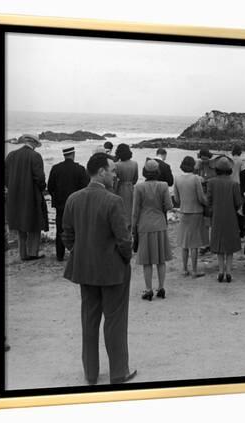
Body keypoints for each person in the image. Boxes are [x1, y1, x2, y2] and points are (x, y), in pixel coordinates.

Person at [61, 152, 137, 385]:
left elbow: (67, 236)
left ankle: (91, 374)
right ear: (101, 171)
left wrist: (82, 252)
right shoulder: (114, 201)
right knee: (115, 322)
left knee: (89, 321)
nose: (115, 174)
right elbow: (125, 240)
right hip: (113, 271)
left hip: (85, 269)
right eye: (112, 170)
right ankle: (118, 373)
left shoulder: (73, 199)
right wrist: (124, 258)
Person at [132, 160, 174, 300]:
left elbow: (135, 211)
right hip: (160, 224)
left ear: (145, 172)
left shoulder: (139, 187)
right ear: (157, 172)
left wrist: (133, 227)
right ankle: (161, 287)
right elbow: (169, 205)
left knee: (147, 260)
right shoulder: (163, 186)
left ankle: (148, 289)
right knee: (161, 259)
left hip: (144, 224)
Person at [5, 134, 48, 261]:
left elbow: (5, 176)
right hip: (31, 195)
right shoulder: (35, 156)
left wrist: (12, 188)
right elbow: (40, 178)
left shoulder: (11, 155)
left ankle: (22, 253)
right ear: (34, 143)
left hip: (14, 195)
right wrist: (41, 188)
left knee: (20, 224)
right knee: (35, 224)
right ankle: (33, 252)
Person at [47, 146, 89, 261]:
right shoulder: (80, 169)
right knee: (76, 229)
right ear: (73, 154)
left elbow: (50, 187)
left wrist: (55, 198)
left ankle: (59, 255)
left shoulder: (55, 168)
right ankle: (75, 253)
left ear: (64, 155)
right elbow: (85, 188)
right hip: (76, 205)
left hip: (60, 205)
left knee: (60, 230)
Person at [207, 156, 243, 283]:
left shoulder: (211, 182)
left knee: (219, 245)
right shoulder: (234, 184)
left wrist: (212, 210)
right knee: (229, 245)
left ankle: (220, 271)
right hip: (230, 216)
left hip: (217, 216)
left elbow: (208, 200)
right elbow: (238, 202)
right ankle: (228, 272)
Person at [173, 156, 208, 278]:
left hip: (183, 211)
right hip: (196, 212)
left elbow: (176, 199)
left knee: (184, 243)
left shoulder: (177, 178)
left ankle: (184, 269)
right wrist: (207, 202)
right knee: (194, 243)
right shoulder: (195, 179)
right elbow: (201, 197)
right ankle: (194, 270)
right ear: (192, 166)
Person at [194, 148, 216, 255]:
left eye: (206, 158)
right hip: (201, 196)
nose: (204, 160)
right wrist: (196, 167)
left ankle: (210, 244)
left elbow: (216, 179)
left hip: (210, 196)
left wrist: (206, 180)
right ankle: (205, 244)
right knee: (203, 222)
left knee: (210, 221)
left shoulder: (214, 166)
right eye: (202, 158)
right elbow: (191, 176)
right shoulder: (199, 165)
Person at [114, 143, 138, 230]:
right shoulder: (135, 164)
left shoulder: (117, 165)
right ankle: (131, 226)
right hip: (131, 187)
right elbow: (136, 179)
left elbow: (115, 179)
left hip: (121, 188)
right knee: (131, 208)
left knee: (122, 209)